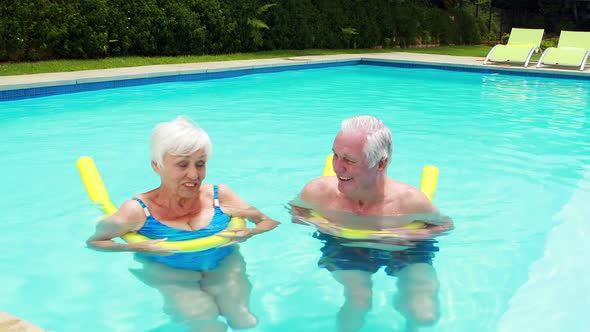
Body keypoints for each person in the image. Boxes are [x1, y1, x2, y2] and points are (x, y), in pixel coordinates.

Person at [87, 116, 279, 332]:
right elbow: (95, 242)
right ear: (157, 166)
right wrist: (133, 246)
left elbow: (268, 221)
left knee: (245, 321)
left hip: (224, 264)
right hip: (171, 273)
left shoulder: (219, 196)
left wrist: (249, 232)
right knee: (207, 324)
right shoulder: (137, 211)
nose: (194, 175)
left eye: (200, 164)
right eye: (182, 165)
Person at [291, 115, 453, 332]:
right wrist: (323, 226)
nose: (338, 168)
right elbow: (296, 211)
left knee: (424, 315)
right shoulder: (318, 191)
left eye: (349, 160)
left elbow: (444, 225)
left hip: (404, 248)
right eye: (335, 155)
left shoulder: (409, 202)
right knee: (359, 300)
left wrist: (404, 236)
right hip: (345, 245)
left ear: (381, 163)